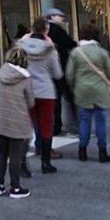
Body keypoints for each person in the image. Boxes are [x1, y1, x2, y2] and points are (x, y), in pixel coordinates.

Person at [66, 25, 110, 163]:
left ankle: (82, 150)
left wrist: (73, 87)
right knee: (100, 120)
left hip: (82, 90)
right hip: (100, 90)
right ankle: (102, 151)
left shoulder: (76, 53)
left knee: (84, 120)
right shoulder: (101, 52)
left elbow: (69, 74)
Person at [0, 47, 34, 199]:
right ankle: (15, 187)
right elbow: (30, 102)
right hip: (17, 120)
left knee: (2, 152)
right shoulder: (25, 79)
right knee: (15, 155)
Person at [19, 17, 63, 174]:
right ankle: (46, 163)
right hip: (46, 92)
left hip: (26, 90)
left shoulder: (22, 47)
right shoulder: (50, 50)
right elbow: (57, 74)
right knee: (46, 126)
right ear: (46, 30)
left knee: (26, 127)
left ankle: (22, 163)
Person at [46, 8, 79, 138]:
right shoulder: (56, 30)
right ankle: (70, 125)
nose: (62, 18)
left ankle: (56, 125)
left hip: (48, 70)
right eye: (59, 16)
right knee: (67, 96)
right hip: (60, 66)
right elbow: (69, 43)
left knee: (55, 99)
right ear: (52, 17)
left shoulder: (45, 31)